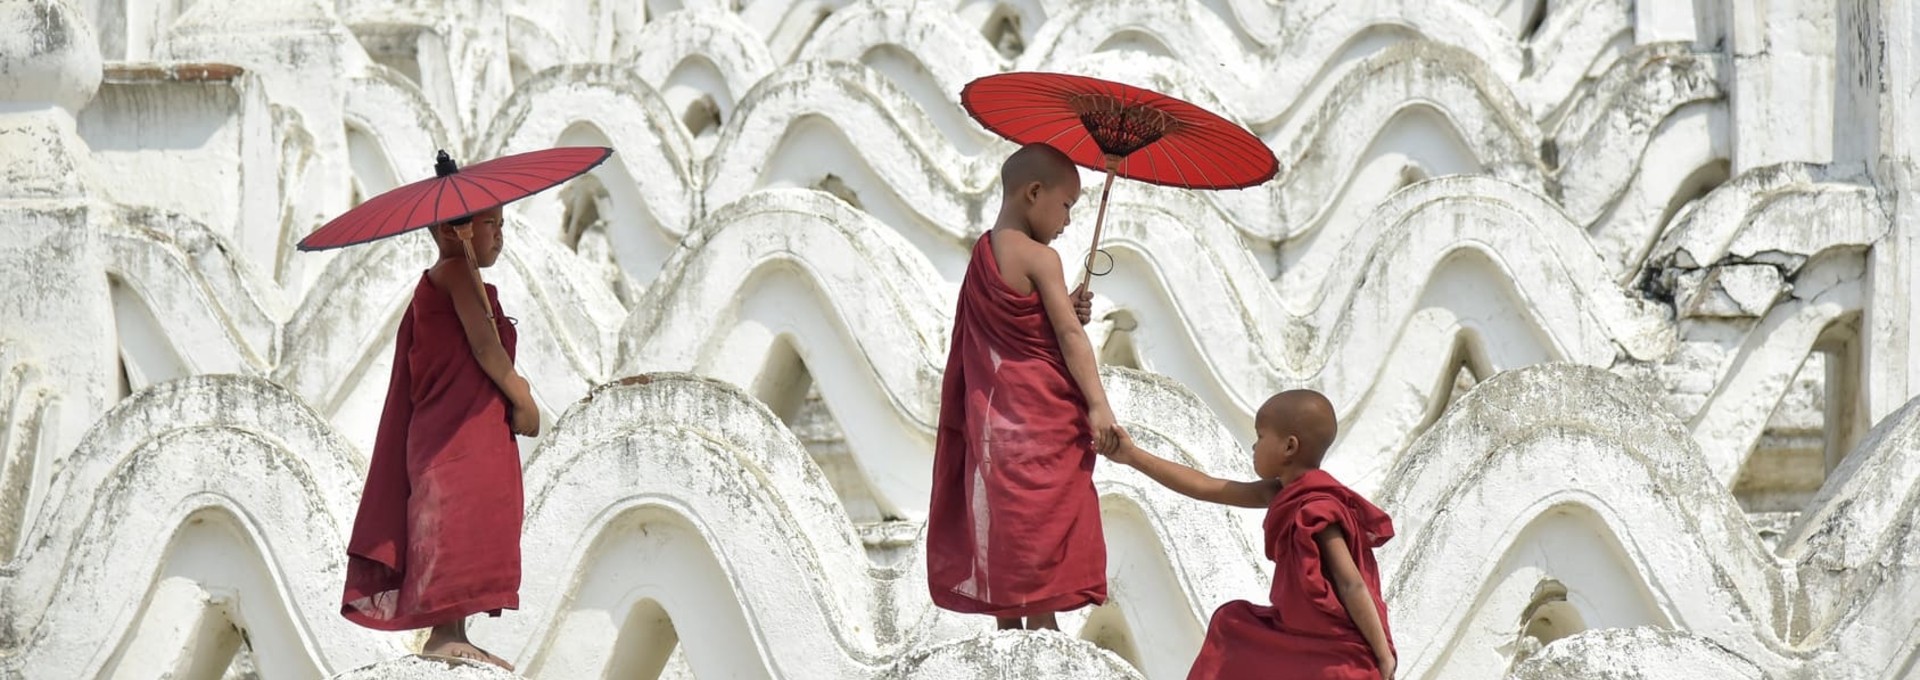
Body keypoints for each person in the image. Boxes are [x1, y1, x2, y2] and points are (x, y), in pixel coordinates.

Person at [340, 205, 539, 670]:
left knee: (476, 522)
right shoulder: (453, 272)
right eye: (491, 225)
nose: (500, 236)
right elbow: (484, 347)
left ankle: (458, 630)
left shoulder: (465, 278)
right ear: (455, 230)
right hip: (453, 436)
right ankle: (443, 633)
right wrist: (522, 396)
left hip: (472, 428)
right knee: (453, 521)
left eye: (502, 225)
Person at [926, 142, 1115, 631]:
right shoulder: (1042, 258)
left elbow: (1024, 326)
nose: (1070, 220)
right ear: (1034, 193)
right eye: (1067, 204)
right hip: (1042, 422)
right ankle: (1046, 626)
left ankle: (1009, 630)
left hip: (995, 424)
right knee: (1045, 523)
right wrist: (1098, 405)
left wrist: (1060, 309)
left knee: (1008, 525)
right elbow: (1070, 337)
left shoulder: (984, 251)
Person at [1104, 390, 1398, 679]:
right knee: (1231, 624)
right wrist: (1131, 456)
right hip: (1297, 633)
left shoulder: (1318, 507)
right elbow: (1205, 486)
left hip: (1334, 646)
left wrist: (1382, 655)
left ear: (1289, 447)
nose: (1254, 446)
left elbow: (1352, 584)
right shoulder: (1281, 492)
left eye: (1260, 436)